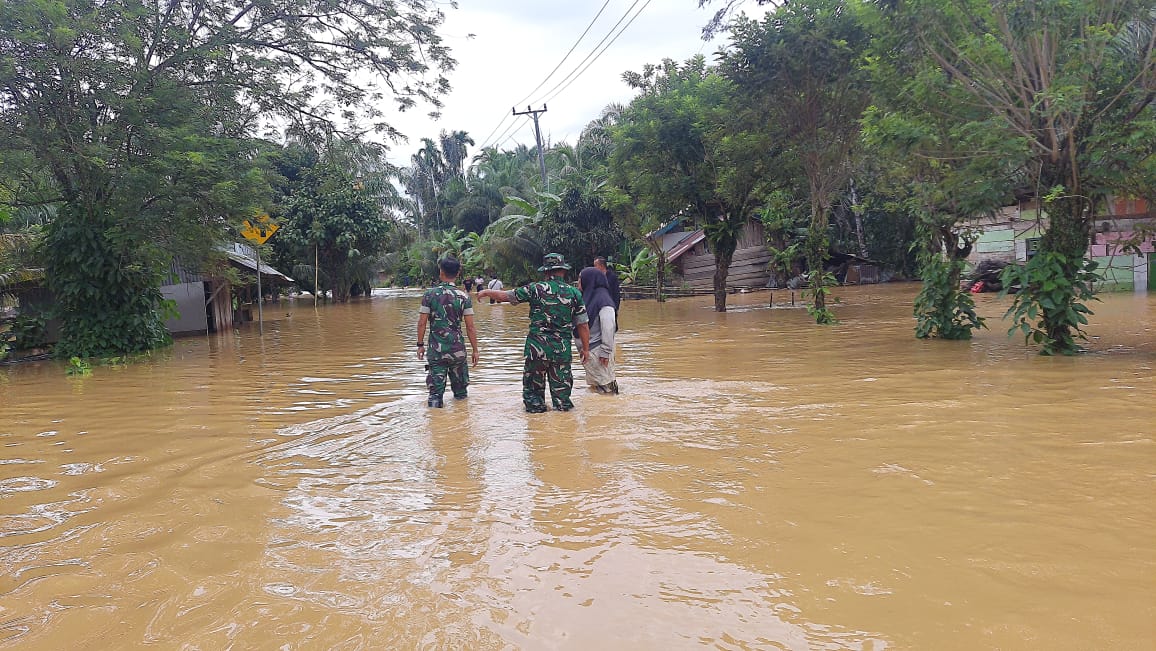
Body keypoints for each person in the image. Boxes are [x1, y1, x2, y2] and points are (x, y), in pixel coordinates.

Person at [479, 253, 590, 413]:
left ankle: (537, 429)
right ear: (563, 271)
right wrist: (585, 349)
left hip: (536, 350)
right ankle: (565, 430)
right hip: (561, 351)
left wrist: (487, 292)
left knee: (533, 398)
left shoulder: (534, 289)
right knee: (562, 401)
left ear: (545, 272)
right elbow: (583, 325)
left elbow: (506, 296)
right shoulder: (574, 293)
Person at [416, 256, 479, 408]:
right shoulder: (464, 297)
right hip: (458, 351)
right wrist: (475, 350)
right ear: (458, 274)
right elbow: (470, 327)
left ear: (441, 272)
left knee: (435, 395)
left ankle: (437, 426)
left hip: (436, 352)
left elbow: (422, 323)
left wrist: (420, 345)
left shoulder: (429, 295)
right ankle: (463, 424)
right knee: (461, 394)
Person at [578, 266, 618, 394]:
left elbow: (609, 325)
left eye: (580, 280)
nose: (578, 284)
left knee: (604, 389)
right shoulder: (591, 298)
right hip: (592, 352)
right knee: (599, 389)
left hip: (598, 352)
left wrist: (605, 351)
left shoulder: (602, 299)